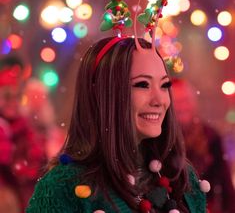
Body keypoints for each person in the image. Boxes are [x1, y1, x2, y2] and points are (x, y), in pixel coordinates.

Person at [26, 36, 209, 213]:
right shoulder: (63, 188)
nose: (159, 100)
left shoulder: (182, 179)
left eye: (164, 85)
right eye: (143, 84)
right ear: (105, 94)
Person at [171, 78, 235, 213]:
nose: (182, 106)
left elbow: (225, 183)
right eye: (176, 102)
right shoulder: (163, 139)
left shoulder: (210, 136)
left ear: (193, 102)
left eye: (185, 100)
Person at [0, 54, 47, 211]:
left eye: (17, 97)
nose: (13, 102)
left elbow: (37, 161)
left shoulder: (25, 128)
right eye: (7, 96)